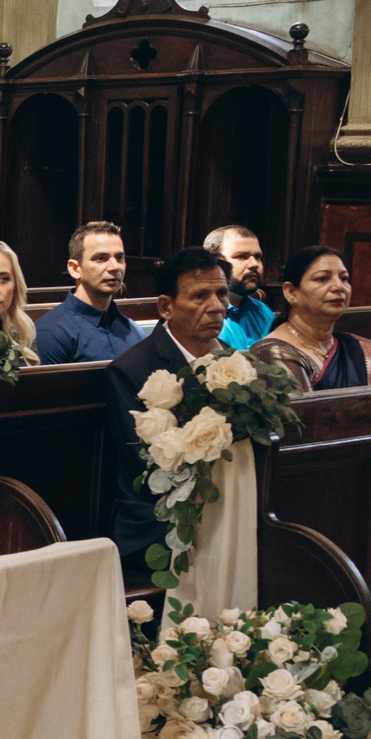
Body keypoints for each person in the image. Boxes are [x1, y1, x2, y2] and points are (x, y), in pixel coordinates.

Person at [104, 247, 232, 578]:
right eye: (201, 295)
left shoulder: (237, 366)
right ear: (166, 306)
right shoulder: (132, 369)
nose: (216, 307)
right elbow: (146, 467)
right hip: (156, 522)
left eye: (222, 293)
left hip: (226, 505)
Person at [247, 245, 371, 390]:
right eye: (322, 278)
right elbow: (305, 411)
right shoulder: (273, 352)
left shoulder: (365, 352)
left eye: (344, 278)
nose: (339, 286)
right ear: (291, 292)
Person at [33, 221, 144, 364]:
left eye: (119, 257)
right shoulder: (50, 333)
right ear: (74, 268)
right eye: (101, 258)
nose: (115, 267)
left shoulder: (133, 331)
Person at [207, 225, 275, 351]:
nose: (255, 264)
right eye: (241, 256)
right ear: (215, 262)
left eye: (258, 257)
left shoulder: (263, 312)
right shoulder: (201, 315)